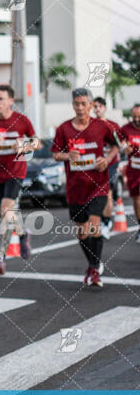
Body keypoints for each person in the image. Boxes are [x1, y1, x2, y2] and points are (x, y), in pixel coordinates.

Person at [51, 88, 119, 288]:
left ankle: (95, 269)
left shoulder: (101, 126)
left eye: (83, 103)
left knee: (95, 223)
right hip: (76, 188)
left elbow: (116, 146)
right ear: (72, 105)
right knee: (82, 231)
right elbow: (55, 153)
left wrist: (106, 159)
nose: (80, 108)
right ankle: (91, 264)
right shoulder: (64, 129)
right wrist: (67, 155)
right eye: (76, 104)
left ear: (91, 105)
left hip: (98, 184)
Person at [0, 84, 40, 274]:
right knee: (8, 212)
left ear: (11, 101)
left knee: (5, 209)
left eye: (1, 99)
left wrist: (24, 144)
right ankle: (22, 233)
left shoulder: (21, 121)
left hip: (16, 171)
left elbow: (37, 142)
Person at [92, 96, 121, 239]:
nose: (97, 109)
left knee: (107, 192)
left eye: (99, 106)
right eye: (95, 107)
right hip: (95, 165)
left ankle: (106, 222)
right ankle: (100, 221)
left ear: (105, 108)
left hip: (110, 163)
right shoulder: (89, 125)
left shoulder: (113, 125)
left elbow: (119, 144)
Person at [120, 104, 140, 243]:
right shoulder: (126, 129)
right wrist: (124, 148)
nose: (136, 119)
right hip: (134, 170)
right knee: (137, 200)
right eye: (134, 117)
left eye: (139, 117)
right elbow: (120, 144)